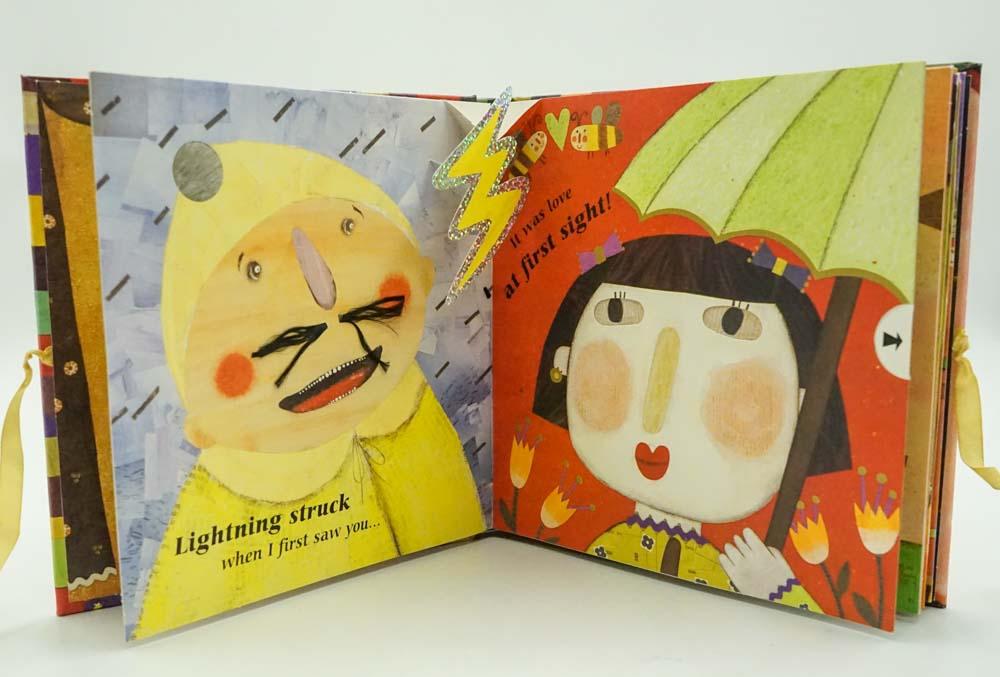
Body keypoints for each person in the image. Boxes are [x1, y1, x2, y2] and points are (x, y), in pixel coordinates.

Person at [134, 142, 484, 638]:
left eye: (347, 230)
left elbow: (452, 520)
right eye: (254, 271)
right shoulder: (221, 508)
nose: (326, 300)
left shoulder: (406, 412)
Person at [532, 234, 852, 610]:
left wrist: (775, 589)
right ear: (565, 360)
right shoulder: (608, 548)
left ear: (802, 403)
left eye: (733, 322)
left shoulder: (735, 571)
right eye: (616, 312)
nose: (656, 411)